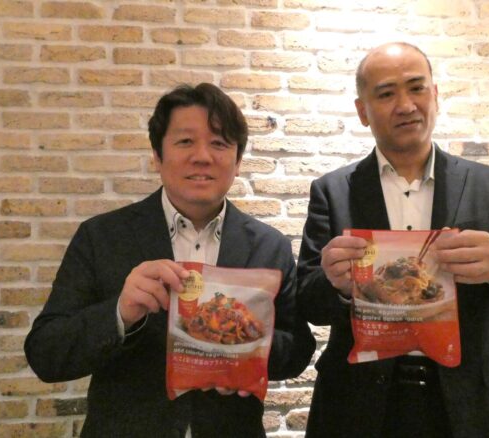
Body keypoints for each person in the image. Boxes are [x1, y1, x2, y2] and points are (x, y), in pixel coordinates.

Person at [297, 42, 489, 437]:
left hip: (471, 404)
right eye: (386, 94)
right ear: (362, 111)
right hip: (359, 405)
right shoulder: (332, 191)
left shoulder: (488, 185)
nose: (406, 105)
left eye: (417, 88)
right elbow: (307, 301)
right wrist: (337, 286)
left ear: (436, 95)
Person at [25, 83, 315, 438]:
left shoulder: (269, 246)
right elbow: (46, 355)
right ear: (157, 156)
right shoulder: (102, 237)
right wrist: (120, 314)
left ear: (238, 161)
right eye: (185, 141)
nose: (202, 156)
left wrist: (250, 347)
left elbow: (297, 350)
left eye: (219, 143)